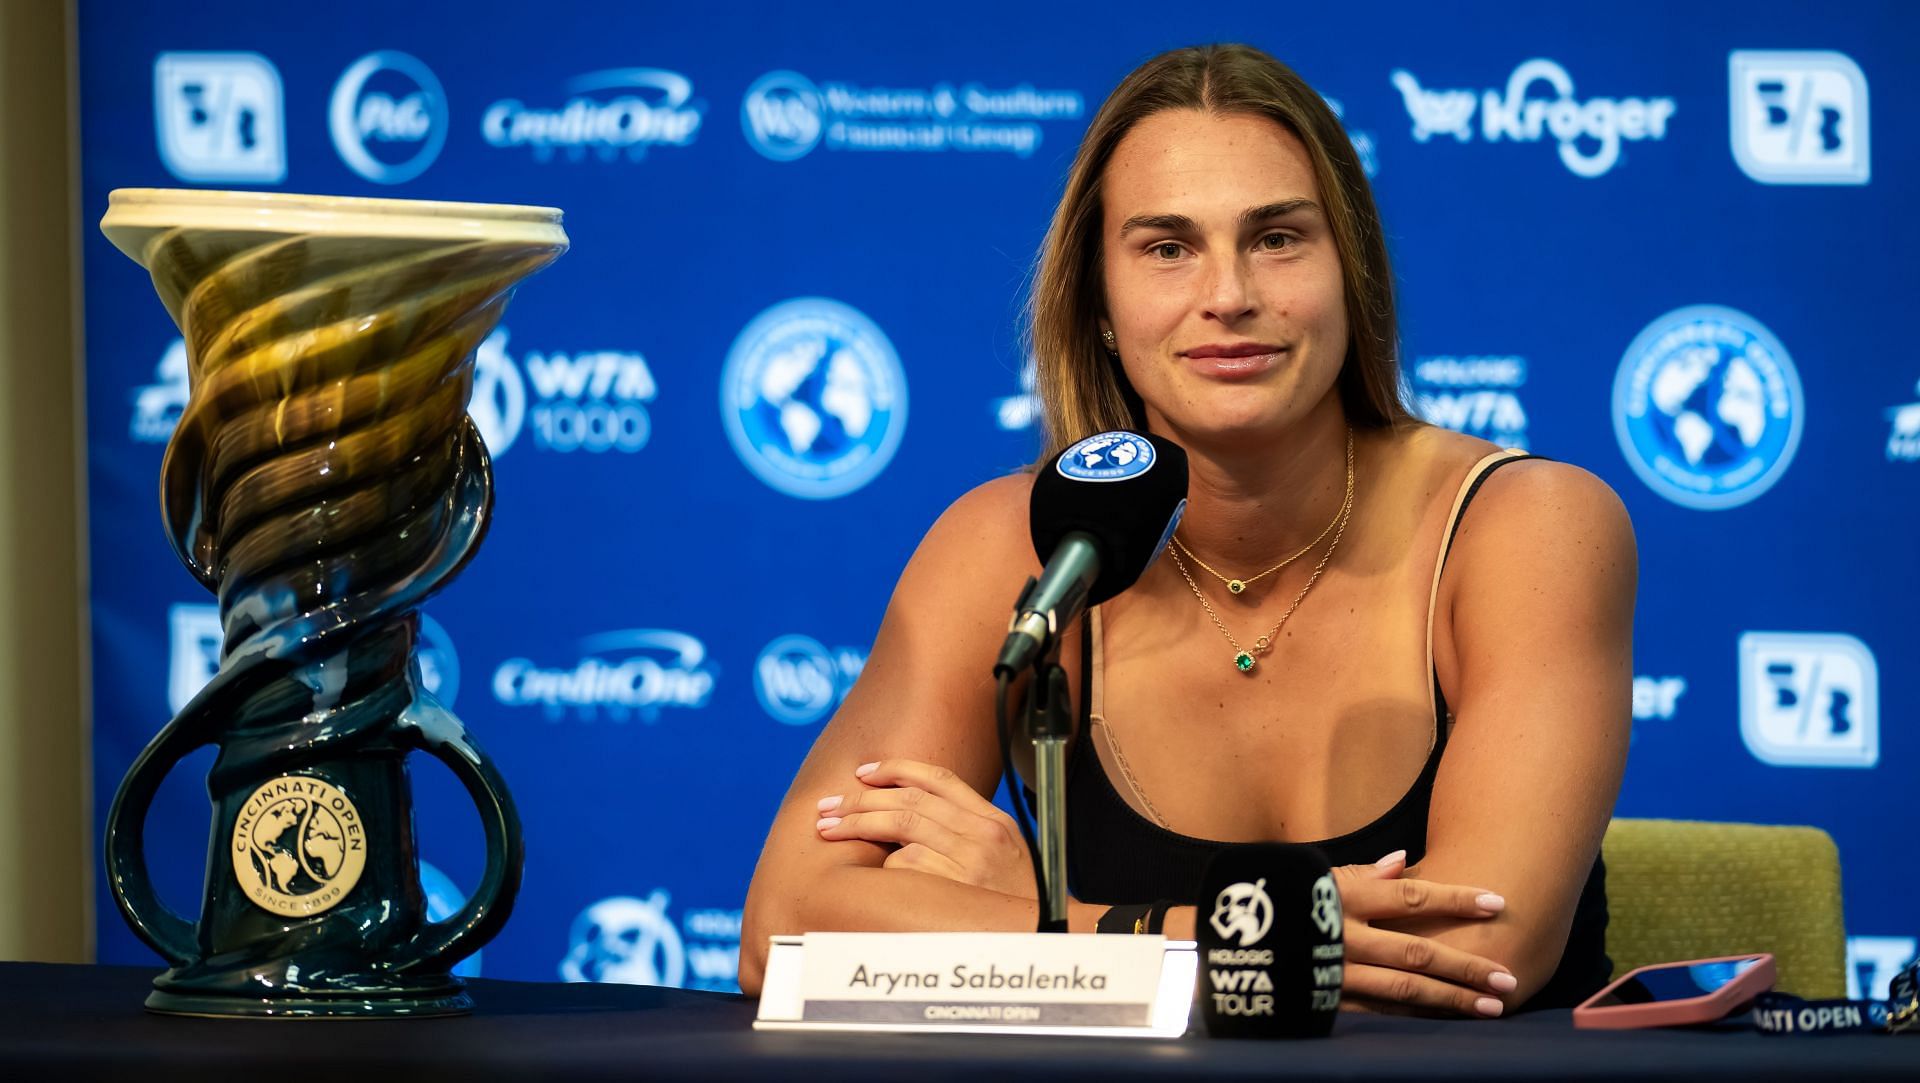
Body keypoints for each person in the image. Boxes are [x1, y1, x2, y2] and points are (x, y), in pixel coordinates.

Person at [739, 43, 1634, 1017]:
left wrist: (1039, 924)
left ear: (1353, 272)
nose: (1228, 295)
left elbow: (1473, 953)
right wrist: (1157, 940)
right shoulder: (1013, 546)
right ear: (1104, 305)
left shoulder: (1526, 526)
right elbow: (784, 928)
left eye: (1279, 238)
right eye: (1168, 247)